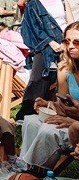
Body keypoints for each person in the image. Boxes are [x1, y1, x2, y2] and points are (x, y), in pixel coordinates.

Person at [18, 21, 79, 171]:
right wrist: (49, 105)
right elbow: (64, 105)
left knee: (49, 131)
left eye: (76, 42)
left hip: (76, 126)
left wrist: (71, 120)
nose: (70, 46)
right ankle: (24, 167)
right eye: (67, 41)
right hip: (72, 120)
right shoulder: (65, 69)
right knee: (31, 121)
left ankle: (33, 174)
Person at [17, 0, 74, 120]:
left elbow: (70, 23)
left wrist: (67, 42)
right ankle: (27, 114)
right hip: (44, 46)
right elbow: (34, 28)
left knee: (64, 78)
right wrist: (50, 42)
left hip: (65, 44)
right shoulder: (33, 5)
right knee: (38, 79)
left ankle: (60, 111)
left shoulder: (62, 0)